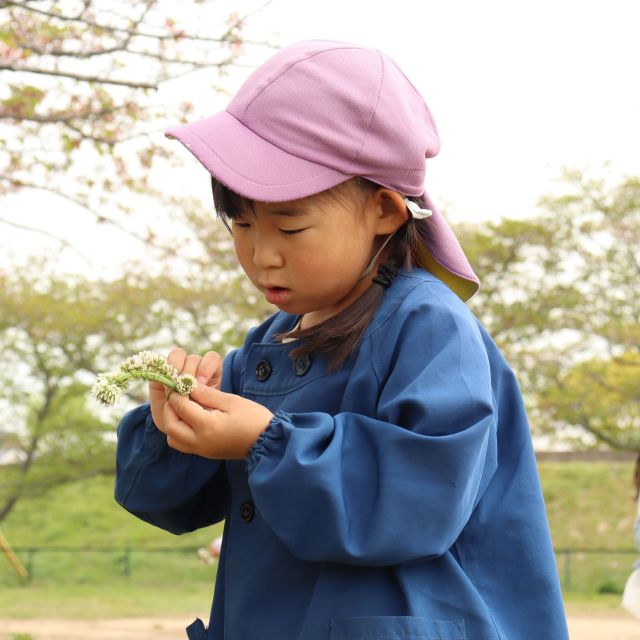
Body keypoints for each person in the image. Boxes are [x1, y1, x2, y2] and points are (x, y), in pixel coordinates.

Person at [114, 39, 569, 639]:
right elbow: (166, 502)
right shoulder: (266, 346)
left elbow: (418, 500)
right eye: (242, 224)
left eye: (291, 225)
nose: (261, 255)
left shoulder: (429, 327)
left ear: (385, 210)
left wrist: (265, 442)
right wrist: (175, 426)